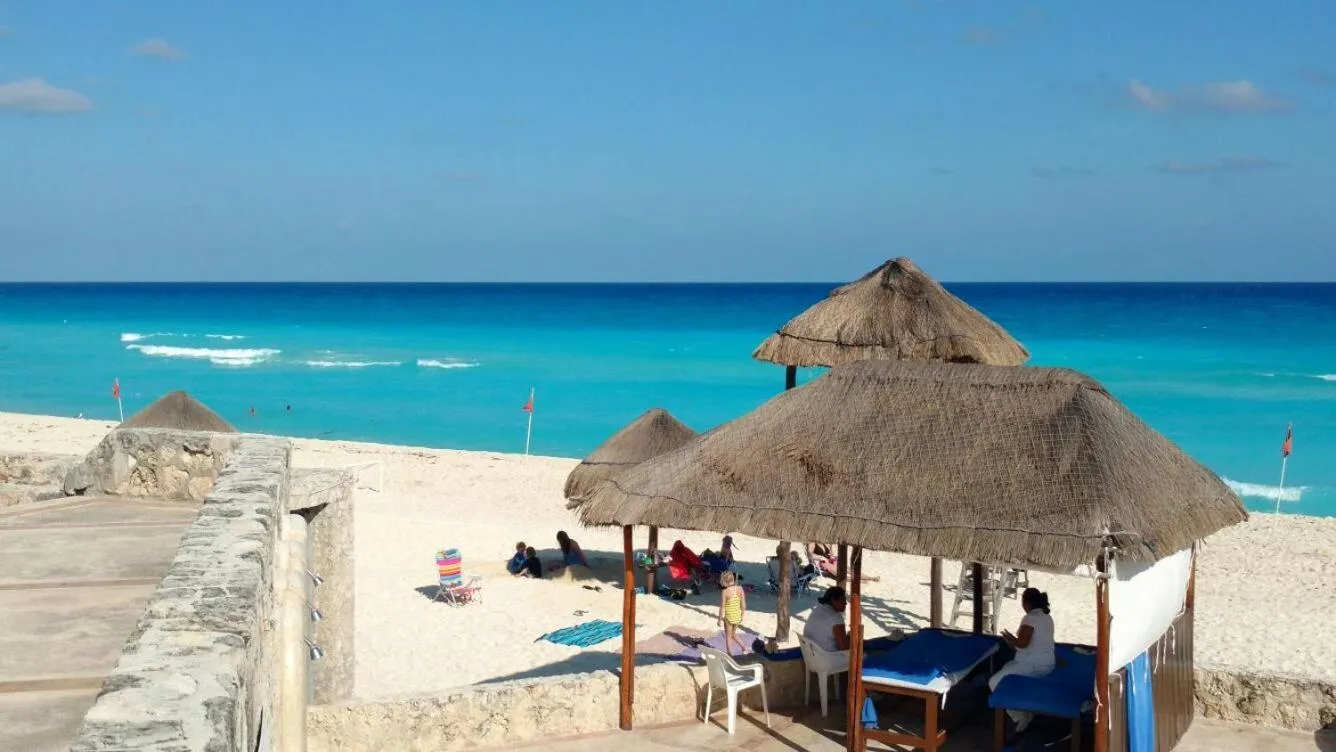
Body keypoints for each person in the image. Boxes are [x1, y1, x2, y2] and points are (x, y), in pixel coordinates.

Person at [989, 588, 1057, 736]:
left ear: (1026, 603)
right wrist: (1014, 640)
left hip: (1033, 665)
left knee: (994, 682)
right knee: (1007, 668)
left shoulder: (1030, 618)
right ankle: (1024, 711)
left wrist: (1010, 639)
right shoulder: (1047, 617)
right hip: (1046, 664)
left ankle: (1020, 717)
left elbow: (1022, 644)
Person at [803, 586, 851, 652]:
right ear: (833, 600)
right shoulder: (835, 617)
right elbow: (844, 647)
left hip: (811, 655)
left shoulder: (817, 609)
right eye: (843, 599)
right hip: (828, 658)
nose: (845, 603)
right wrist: (851, 635)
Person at [717, 571, 748, 655]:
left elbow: (722, 607)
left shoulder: (725, 592)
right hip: (737, 616)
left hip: (729, 618)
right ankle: (744, 648)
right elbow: (743, 604)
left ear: (724, 582)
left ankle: (730, 653)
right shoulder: (740, 589)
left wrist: (719, 619)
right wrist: (742, 614)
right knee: (734, 634)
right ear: (733, 580)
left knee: (728, 636)